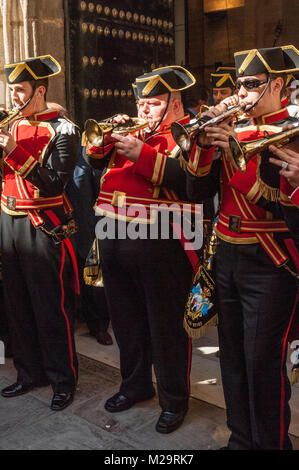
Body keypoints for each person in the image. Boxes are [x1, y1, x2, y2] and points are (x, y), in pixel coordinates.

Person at [185, 46, 299, 450]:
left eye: (251, 85)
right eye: (239, 85)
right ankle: (241, 438)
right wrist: (199, 144)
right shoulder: (234, 126)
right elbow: (196, 191)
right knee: (231, 357)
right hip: (226, 253)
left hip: (268, 258)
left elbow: (276, 201)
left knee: (262, 363)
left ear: (278, 84)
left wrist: (233, 150)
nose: (242, 93)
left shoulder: (291, 129)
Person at [83, 66, 205, 434]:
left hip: (162, 239)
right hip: (113, 231)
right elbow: (94, 163)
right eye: (141, 103)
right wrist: (104, 143)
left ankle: (173, 400)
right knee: (127, 320)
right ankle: (134, 385)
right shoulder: (137, 130)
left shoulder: (189, 133)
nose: (144, 111)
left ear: (175, 102)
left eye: (153, 104)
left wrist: (142, 154)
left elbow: (191, 185)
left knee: (166, 326)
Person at [0, 55, 80, 411]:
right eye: (11, 90)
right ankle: (28, 373)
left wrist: (13, 151)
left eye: (20, 91)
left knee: (51, 306)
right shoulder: (7, 125)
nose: (14, 97)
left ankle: (63, 379)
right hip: (7, 219)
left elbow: (52, 184)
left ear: (40, 91)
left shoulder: (63, 129)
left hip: (43, 224)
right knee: (16, 304)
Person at [65, 147, 113, 345]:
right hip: (54, 224)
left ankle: (99, 325)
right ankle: (72, 317)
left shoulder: (84, 153)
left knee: (91, 276)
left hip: (86, 224)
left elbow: (100, 189)